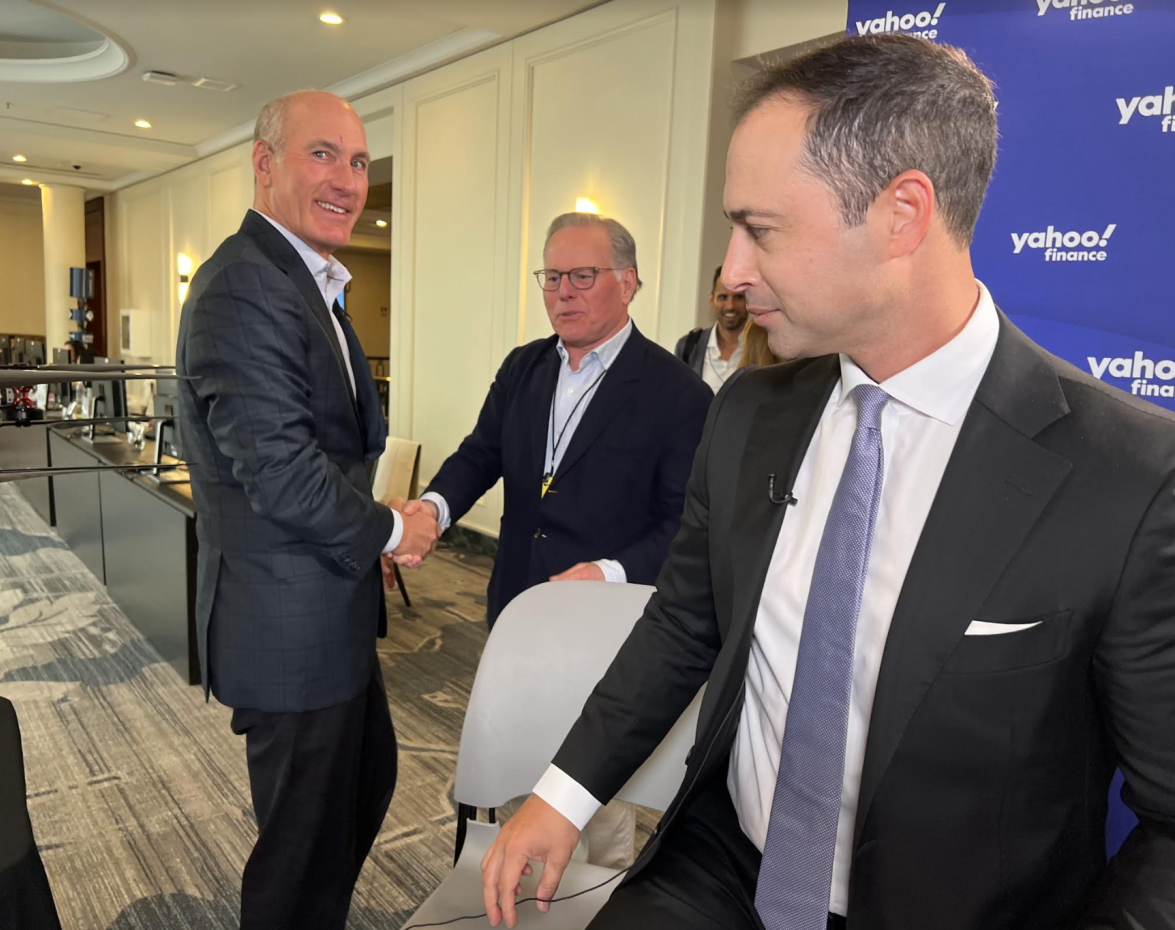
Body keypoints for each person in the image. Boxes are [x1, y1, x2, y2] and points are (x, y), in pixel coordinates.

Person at [481, 35, 1175, 930]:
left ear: (903, 213)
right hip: (722, 874)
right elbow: (683, 627)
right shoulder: (746, 417)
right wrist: (563, 795)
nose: (730, 273)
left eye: (761, 229)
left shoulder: (1129, 475)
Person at [175, 90, 440, 930]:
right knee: (298, 856)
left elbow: (330, 446)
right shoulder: (243, 286)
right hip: (284, 623)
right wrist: (395, 528)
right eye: (324, 154)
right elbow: (283, 476)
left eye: (360, 162)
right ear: (266, 165)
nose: (349, 180)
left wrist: (374, 521)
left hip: (329, 611)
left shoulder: (309, 283)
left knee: (359, 794)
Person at [398, 212, 711, 867]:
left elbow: (684, 525)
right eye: (551, 276)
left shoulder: (676, 393)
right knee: (517, 768)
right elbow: (480, 455)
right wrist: (432, 508)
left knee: (596, 797)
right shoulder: (524, 368)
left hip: (606, 629)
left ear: (628, 283)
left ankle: (597, 903)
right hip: (517, 606)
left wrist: (607, 572)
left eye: (582, 275)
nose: (562, 291)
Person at [676, 265, 747, 393]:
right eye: (723, 297)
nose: (730, 306)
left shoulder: (766, 348)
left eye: (738, 297)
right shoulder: (689, 347)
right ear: (711, 300)